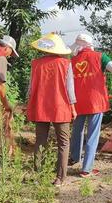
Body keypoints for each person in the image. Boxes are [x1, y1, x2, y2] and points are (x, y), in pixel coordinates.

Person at [69, 34, 112, 178]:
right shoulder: (100, 56)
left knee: (77, 130)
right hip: (95, 102)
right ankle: (86, 169)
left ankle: (74, 157)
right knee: (93, 134)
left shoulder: (72, 60)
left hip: (77, 102)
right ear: (90, 45)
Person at [26, 33, 76, 187]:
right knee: (63, 143)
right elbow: (70, 90)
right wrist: (73, 108)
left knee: (40, 141)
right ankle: (59, 178)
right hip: (60, 107)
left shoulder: (36, 64)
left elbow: (30, 88)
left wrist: (28, 104)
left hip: (40, 106)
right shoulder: (66, 64)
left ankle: (38, 175)